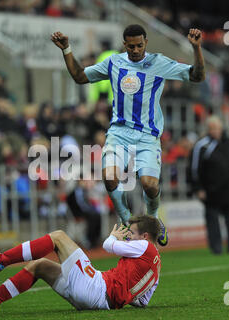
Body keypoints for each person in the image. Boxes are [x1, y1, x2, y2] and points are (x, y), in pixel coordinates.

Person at [51, 24, 206, 247]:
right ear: (125, 44)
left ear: (146, 43)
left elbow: (197, 76)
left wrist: (197, 48)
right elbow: (80, 76)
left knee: (149, 185)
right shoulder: (114, 62)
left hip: (147, 136)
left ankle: (153, 219)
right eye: (131, 46)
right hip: (118, 133)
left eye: (139, 45)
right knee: (110, 176)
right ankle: (127, 223)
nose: (135, 50)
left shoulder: (158, 62)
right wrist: (66, 49)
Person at [0, 214, 161, 314]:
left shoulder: (144, 245)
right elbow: (142, 302)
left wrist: (113, 236)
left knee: (58, 236)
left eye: (132, 234)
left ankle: (1, 260)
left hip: (97, 289)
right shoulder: (156, 268)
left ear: (145, 236)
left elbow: (108, 245)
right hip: (99, 301)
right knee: (40, 266)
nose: (128, 237)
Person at [188, 116, 229, 254]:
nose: (216, 131)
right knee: (212, 221)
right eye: (212, 128)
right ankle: (216, 248)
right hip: (211, 190)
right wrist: (198, 188)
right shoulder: (202, 145)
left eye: (217, 127)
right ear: (208, 129)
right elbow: (194, 168)